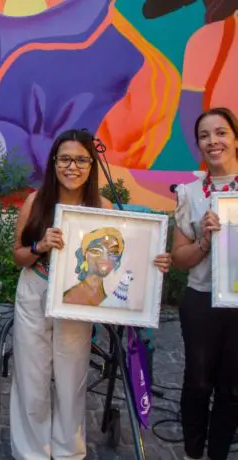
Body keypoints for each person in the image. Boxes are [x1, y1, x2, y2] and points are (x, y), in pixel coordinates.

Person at [9, 129, 172, 460]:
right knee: (31, 378)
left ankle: (69, 452)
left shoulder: (102, 206)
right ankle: (32, 453)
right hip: (36, 290)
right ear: (54, 162)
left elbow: (124, 257)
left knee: (71, 380)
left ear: (92, 165)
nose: (73, 167)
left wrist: (154, 262)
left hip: (77, 301)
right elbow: (17, 255)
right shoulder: (35, 201)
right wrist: (40, 246)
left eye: (81, 160)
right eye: (65, 159)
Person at [172, 107, 238, 460]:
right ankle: (193, 454)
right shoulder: (190, 193)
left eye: (221, 132)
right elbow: (180, 259)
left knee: (233, 389)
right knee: (197, 383)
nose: (213, 141)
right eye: (204, 135)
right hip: (201, 300)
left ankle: (218, 454)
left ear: (235, 139)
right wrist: (205, 241)